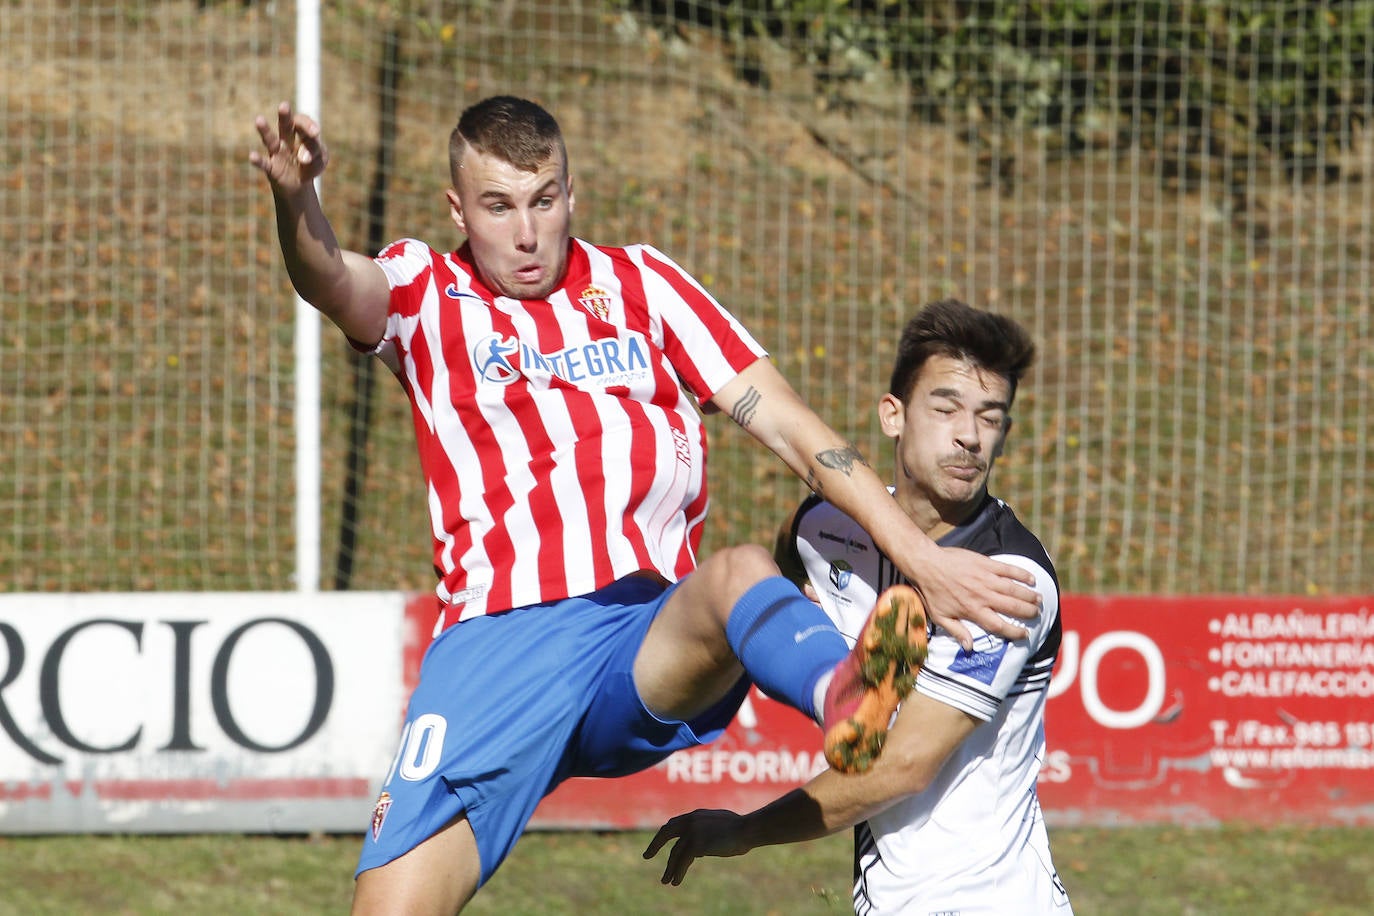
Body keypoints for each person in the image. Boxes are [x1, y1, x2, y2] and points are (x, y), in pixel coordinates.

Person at [249, 96, 1042, 913]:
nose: (526, 233)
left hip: (640, 635)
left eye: (544, 200)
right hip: (497, 652)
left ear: (571, 194)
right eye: (498, 207)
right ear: (459, 208)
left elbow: (798, 435)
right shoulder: (426, 288)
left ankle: (844, 698)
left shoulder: (645, 287)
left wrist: (922, 560)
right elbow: (332, 279)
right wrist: (293, 195)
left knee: (736, 572)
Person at [646, 299, 1072, 915]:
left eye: (991, 418)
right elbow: (790, 574)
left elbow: (902, 769)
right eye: (946, 408)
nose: (970, 436)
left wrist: (744, 831)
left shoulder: (1003, 580)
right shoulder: (822, 528)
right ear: (892, 416)